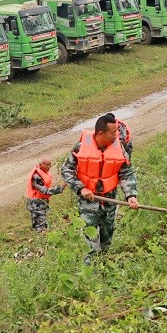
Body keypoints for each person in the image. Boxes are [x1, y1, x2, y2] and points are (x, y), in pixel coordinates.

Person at [61, 113, 139, 263]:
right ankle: (91, 272)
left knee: (106, 239)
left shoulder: (119, 148)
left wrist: (131, 195)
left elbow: (127, 173)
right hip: (88, 203)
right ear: (101, 133)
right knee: (91, 244)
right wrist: (81, 188)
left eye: (117, 131)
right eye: (113, 132)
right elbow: (66, 170)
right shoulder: (81, 147)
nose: (116, 135)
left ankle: (103, 266)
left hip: (109, 201)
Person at [25, 156, 64, 232]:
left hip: (41, 203)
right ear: (41, 164)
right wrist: (60, 188)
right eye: (48, 164)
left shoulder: (42, 172)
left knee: (43, 225)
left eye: (50, 164)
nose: (50, 166)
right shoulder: (36, 176)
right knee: (40, 228)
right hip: (36, 205)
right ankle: (41, 239)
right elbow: (44, 190)